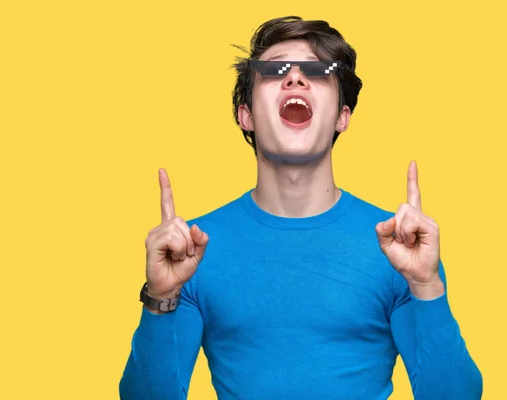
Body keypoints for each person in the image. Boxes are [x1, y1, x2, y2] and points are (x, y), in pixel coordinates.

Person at [119, 16, 482, 400]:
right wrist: (160, 298)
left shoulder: (399, 248)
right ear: (246, 115)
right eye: (275, 69)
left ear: (343, 116)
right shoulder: (192, 250)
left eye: (319, 71)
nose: (295, 79)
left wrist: (427, 286)